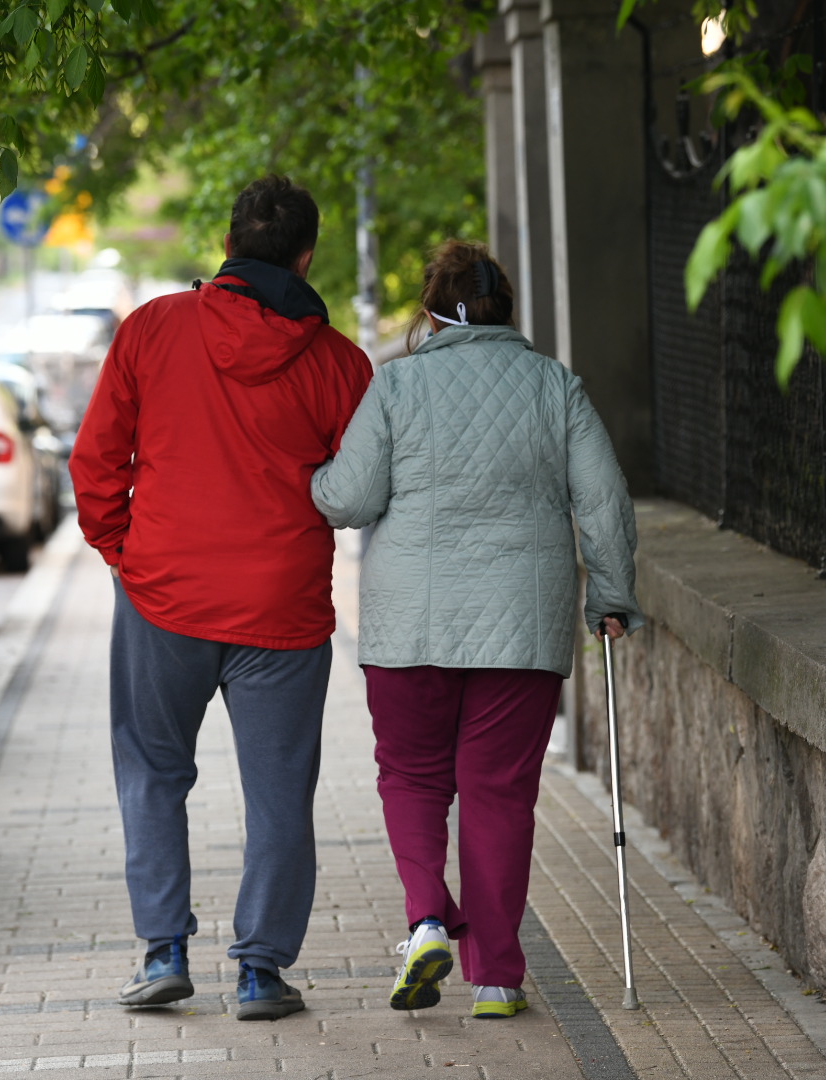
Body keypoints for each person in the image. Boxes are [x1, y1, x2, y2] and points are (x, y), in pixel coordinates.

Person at [310, 239, 643, 1020]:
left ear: (429, 314)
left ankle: (427, 918)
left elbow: (348, 500)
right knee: (498, 793)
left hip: (407, 626)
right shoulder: (554, 386)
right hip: (521, 625)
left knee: (413, 776)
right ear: (507, 311)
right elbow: (604, 500)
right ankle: (494, 976)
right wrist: (611, 599)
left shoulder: (396, 386)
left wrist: (315, 478)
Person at [70, 175, 373, 1021]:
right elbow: (359, 487)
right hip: (281, 606)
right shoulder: (340, 364)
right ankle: (260, 971)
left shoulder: (153, 331)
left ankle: (164, 950)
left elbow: (96, 462)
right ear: (306, 256)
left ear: (230, 242)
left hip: (164, 594)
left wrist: (123, 553)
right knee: (280, 790)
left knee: (153, 772)